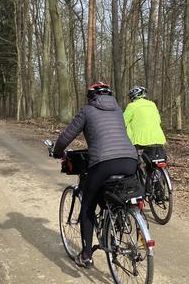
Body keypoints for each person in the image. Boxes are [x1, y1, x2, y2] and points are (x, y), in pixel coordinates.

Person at [53, 82, 138, 268]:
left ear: (91, 97)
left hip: (103, 162)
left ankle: (86, 255)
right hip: (131, 160)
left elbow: (67, 136)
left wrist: (57, 151)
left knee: (88, 207)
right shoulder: (118, 111)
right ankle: (118, 221)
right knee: (116, 195)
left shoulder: (87, 110)